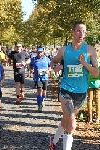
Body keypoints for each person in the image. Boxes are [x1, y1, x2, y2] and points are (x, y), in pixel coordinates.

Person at [50, 21, 99, 150]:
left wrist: (84, 63)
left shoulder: (90, 50)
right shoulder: (64, 50)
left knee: (66, 120)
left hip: (81, 91)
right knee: (71, 123)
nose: (81, 34)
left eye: (84, 31)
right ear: (72, 32)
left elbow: (95, 73)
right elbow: (53, 62)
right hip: (66, 89)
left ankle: (53, 142)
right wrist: (56, 67)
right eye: (78, 30)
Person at [30, 47, 50, 112]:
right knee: (39, 90)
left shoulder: (46, 59)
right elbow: (30, 65)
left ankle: (43, 99)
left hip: (45, 77)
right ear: (36, 52)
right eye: (38, 52)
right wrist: (31, 69)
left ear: (43, 52)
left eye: (41, 52)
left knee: (44, 91)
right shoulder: (34, 59)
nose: (39, 53)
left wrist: (48, 70)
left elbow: (51, 66)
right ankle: (39, 105)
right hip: (38, 77)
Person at [87, 50, 100, 123]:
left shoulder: (89, 61)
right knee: (98, 100)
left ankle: (90, 117)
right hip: (98, 82)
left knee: (90, 100)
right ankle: (98, 118)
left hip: (89, 82)